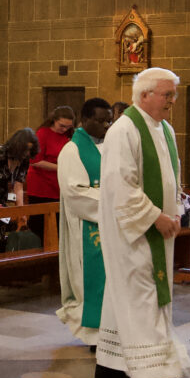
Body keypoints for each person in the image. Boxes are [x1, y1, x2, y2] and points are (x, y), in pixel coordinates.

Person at [94, 68, 190, 378]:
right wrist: (154, 217)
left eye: (174, 95)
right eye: (167, 95)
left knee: (125, 296)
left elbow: (173, 175)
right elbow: (120, 184)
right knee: (146, 300)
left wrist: (177, 208)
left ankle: (109, 370)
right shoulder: (124, 130)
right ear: (144, 96)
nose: (173, 101)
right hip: (135, 233)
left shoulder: (164, 129)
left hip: (158, 229)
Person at [56, 98, 112, 347]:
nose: (106, 125)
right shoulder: (72, 150)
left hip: (111, 226)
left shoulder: (108, 147)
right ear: (85, 119)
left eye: (109, 120)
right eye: (100, 120)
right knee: (89, 282)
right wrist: (114, 203)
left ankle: (107, 332)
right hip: (86, 227)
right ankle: (93, 336)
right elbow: (75, 192)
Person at [0, 128, 37, 254]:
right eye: (25, 149)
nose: (27, 153)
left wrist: (21, 211)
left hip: (1, 201)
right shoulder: (0, 153)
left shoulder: (24, 160)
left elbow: (18, 186)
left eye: (30, 150)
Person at [26, 105, 75, 239]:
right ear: (54, 120)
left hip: (58, 185)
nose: (64, 129)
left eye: (68, 127)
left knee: (59, 227)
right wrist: (61, 167)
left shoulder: (68, 136)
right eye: (62, 126)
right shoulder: (43, 133)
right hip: (41, 186)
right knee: (40, 226)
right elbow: (35, 161)